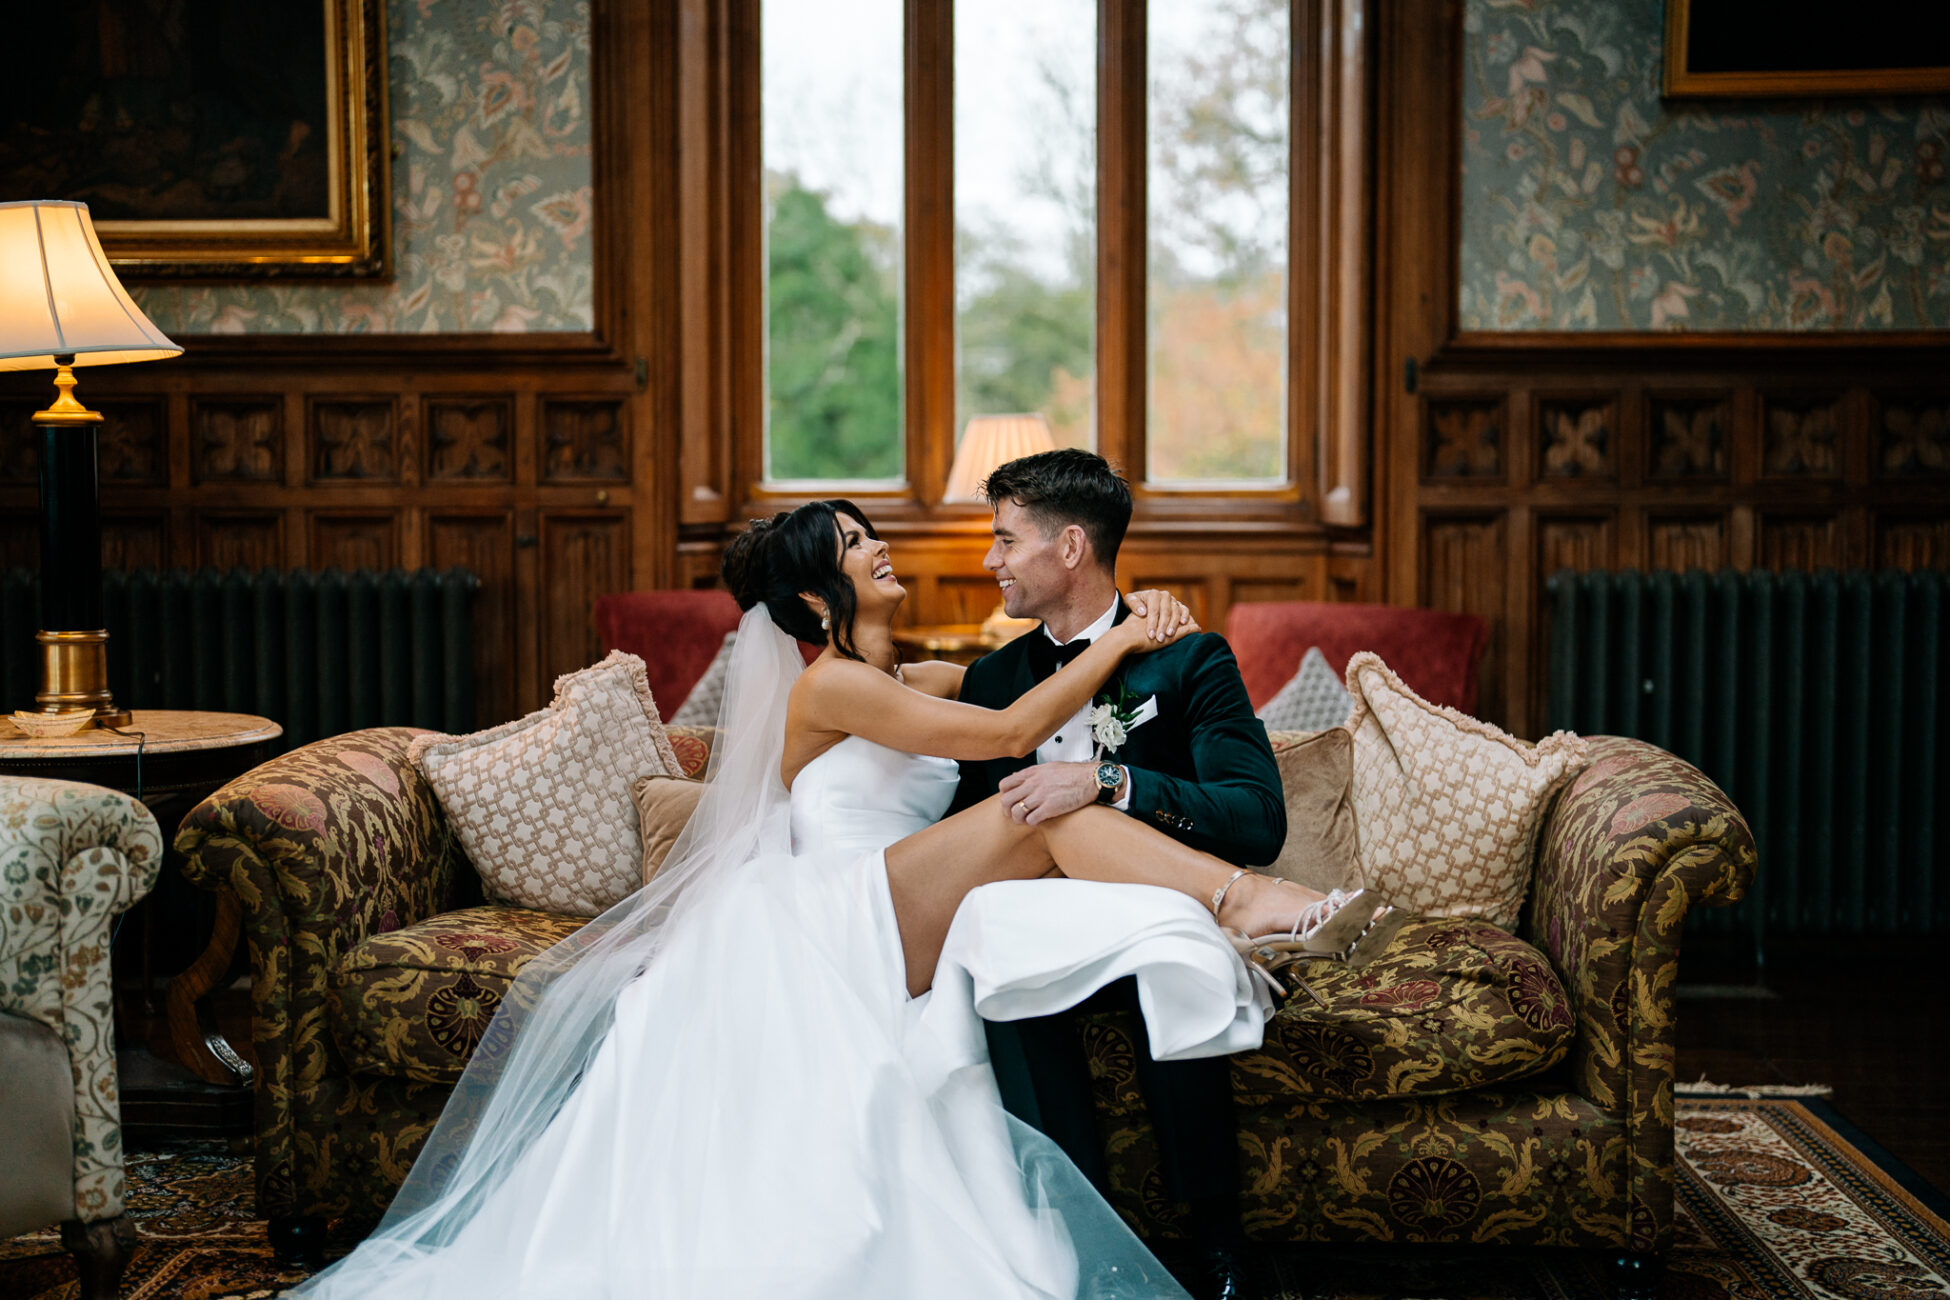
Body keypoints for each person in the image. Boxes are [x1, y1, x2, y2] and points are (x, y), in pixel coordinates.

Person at [288, 497, 1388, 1300]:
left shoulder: (908, 680)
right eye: (862, 544)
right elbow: (1011, 736)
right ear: (820, 593)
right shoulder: (835, 683)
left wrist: (1135, 623)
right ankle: (1251, 903)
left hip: (892, 899)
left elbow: (1019, 685)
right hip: (837, 905)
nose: (886, 548)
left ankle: (1243, 904)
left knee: (1055, 804)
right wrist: (1114, 654)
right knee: (1036, 803)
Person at [948, 450, 1382, 1300]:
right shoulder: (992, 681)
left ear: (1070, 547)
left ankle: (1219, 1246)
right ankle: (1080, 1240)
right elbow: (973, 834)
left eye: (1005, 541)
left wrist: (1115, 782)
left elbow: (1257, 819)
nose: (989, 561)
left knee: (1167, 949)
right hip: (1040, 918)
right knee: (1002, 966)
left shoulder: (1187, 659)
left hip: (1155, 908)